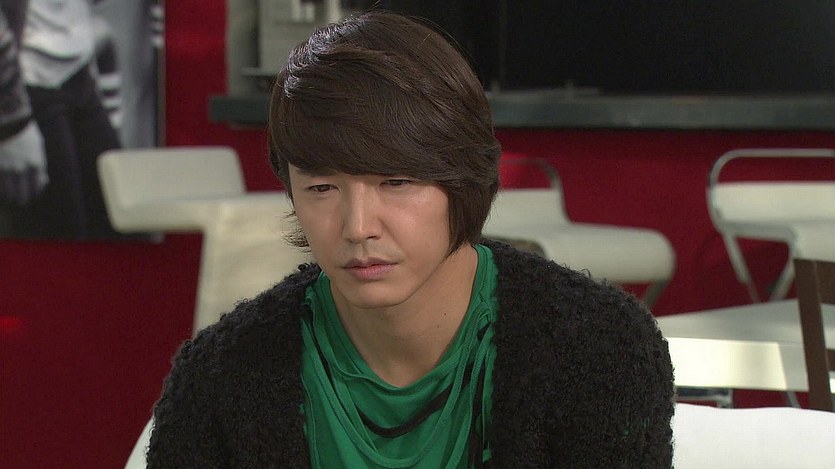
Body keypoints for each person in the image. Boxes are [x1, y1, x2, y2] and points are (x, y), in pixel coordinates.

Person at [148, 10, 674, 467]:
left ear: (462, 179)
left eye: (396, 182)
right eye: (322, 187)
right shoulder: (220, 377)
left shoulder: (598, 348)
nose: (358, 226)